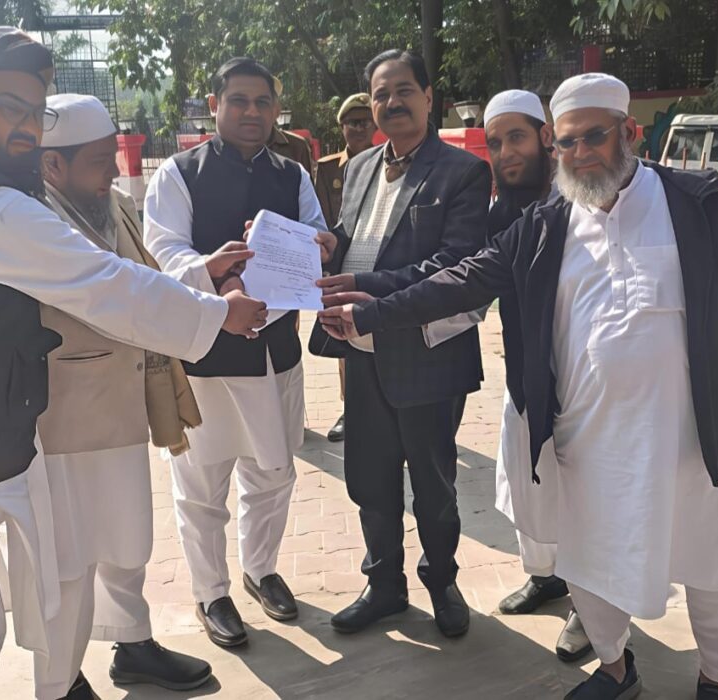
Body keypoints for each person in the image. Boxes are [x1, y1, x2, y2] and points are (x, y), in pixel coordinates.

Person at [319, 72, 718, 700]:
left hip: (695, 439)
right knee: (588, 558)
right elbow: (464, 279)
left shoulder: (696, 202)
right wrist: (373, 309)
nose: (579, 154)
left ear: (629, 132)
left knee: (711, 561)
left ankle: (716, 678)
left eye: (594, 138)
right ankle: (616, 669)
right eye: (567, 142)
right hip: (587, 440)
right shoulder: (548, 223)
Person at [0, 28, 265, 700]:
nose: (27, 130)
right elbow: (102, 284)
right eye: (9, 109)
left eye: (35, 112)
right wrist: (217, 316)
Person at [34, 94, 226, 696]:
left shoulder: (112, 203)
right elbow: (112, 294)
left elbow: (146, 279)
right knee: (67, 558)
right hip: (63, 417)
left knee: (126, 536)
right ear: (52, 166)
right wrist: (215, 314)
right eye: (99, 161)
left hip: (121, 402)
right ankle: (61, 680)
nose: (114, 171)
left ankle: (134, 644)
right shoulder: (30, 219)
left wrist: (204, 283)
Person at [143, 56, 335, 650]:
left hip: (276, 351)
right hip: (206, 355)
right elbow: (163, 253)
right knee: (202, 484)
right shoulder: (179, 173)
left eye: (263, 102)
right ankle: (211, 592)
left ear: (276, 109)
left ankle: (261, 570)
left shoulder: (292, 173)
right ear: (214, 105)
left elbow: (316, 235)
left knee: (273, 472)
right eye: (239, 101)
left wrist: (321, 244)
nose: (252, 112)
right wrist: (213, 277)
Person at [315, 50, 492, 638]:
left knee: (434, 486)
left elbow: (453, 265)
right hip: (362, 352)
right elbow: (357, 234)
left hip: (427, 355)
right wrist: (326, 244)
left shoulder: (462, 172)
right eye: (381, 94)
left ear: (428, 96)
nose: (392, 103)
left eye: (404, 90)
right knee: (369, 478)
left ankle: (442, 582)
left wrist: (362, 285)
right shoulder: (361, 166)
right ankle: (384, 585)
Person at [482, 89, 592, 663]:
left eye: (516, 137)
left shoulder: (583, 202)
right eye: (495, 142)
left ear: (546, 137)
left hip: (582, 383)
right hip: (525, 375)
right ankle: (547, 577)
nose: (506, 152)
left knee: (579, 496)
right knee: (530, 484)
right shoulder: (501, 211)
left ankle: (590, 607)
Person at [314, 92, 377, 442]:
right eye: (352, 122)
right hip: (340, 262)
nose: (359, 128)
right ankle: (349, 406)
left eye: (365, 122)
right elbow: (322, 217)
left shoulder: (386, 163)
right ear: (342, 126)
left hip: (377, 261)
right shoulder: (327, 168)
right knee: (345, 336)